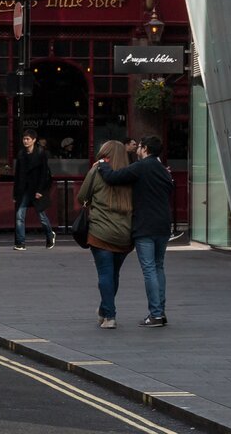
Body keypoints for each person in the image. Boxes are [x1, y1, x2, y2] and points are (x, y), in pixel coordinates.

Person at [97, 134, 172, 327]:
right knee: (158, 267)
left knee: (149, 270)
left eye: (139, 147)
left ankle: (154, 314)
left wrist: (102, 164)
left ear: (145, 149)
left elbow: (113, 177)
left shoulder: (141, 166)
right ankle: (160, 313)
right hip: (163, 226)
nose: (137, 149)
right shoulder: (164, 171)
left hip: (145, 226)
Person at [76, 140, 134, 328]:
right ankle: (104, 309)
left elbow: (82, 196)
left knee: (105, 274)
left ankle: (110, 316)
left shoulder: (97, 171)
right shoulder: (131, 174)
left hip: (100, 232)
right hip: (125, 233)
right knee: (113, 274)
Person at [12, 131, 55, 250]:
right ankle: (20, 243)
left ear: (34, 140)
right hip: (24, 189)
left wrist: (40, 190)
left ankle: (49, 235)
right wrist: (15, 193)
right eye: (24, 139)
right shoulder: (21, 154)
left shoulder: (41, 154)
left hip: (36, 188)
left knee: (41, 215)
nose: (25, 141)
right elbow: (17, 175)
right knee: (20, 215)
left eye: (27, 139)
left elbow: (44, 174)